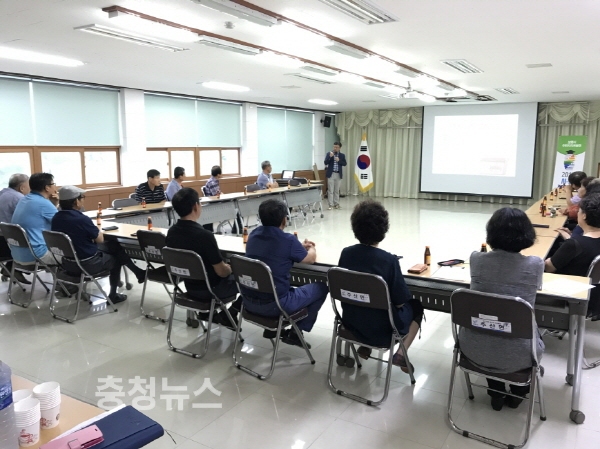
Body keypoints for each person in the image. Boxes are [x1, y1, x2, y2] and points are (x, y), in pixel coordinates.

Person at [459, 207, 544, 411]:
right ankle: (518, 393)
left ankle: (495, 392)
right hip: (521, 355)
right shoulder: (535, 264)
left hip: (472, 349)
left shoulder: (476, 259)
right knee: (516, 330)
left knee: (489, 324)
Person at [337, 200, 423, 373]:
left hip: (351, 323)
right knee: (416, 306)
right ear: (383, 230)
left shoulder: (346, 254)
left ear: (355, 227)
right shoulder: (389, 261)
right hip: (381, 331)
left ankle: (365, 347)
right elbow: (400, 301)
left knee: (367, 303)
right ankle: (401, 353)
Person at [242, 199, 329, 347]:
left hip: (248, 302)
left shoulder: (253, 235)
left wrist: (298, 247)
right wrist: (311, 248)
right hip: (276, 306)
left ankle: (274, 329)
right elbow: (310, 259)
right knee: (321, 288)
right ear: (284, 220)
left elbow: (270, 251)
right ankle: (296, 332)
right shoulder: (288, 240)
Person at [51, 186, 146, 304]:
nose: (83, 200)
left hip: (67, 263)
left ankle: (138, 272)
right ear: (76, 202)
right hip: (87, 264)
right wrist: (96, 229)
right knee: (115, 258)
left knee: (113, 245)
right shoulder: (81, 219)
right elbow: (100, 239)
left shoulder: (56, 218)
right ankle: (113, 295)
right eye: (82, 198)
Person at [165, 188, 241, 327]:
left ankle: (209, 314)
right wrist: (231, 268)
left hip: (189, 286)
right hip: (212, 290)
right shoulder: (204, 236)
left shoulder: (171, 232)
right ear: (195, 206)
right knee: (249, 280)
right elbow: (221, 272)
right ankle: (230, 313)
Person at [10, 172, 59, 266]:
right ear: (47, 188)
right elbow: (63, 224)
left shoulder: (24, 199)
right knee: (74, 254)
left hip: (18, 254)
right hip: (37, 254)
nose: (55, 187)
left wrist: (54, 204)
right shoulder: (43, 203)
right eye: (53, 184)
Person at [0, 174, 31, 283]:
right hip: (8, 244)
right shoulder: (19, 198)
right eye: (29, 186)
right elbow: (28, 220)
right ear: (22, 187)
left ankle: (11, 268)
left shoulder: (2, 193)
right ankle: (16, 268)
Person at [324, 141, 347, 210]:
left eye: (336, 147)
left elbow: (345, 163)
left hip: (338, 174)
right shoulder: (329, 154)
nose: (335, 148)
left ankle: (336, 204)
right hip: (331, 174)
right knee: (330, 190)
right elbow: (325, 162)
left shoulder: (342, 155)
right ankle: (330, 205)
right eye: (334, 147)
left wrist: (339, 160)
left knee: (337, 190)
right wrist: (330, 157)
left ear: (339, 148)